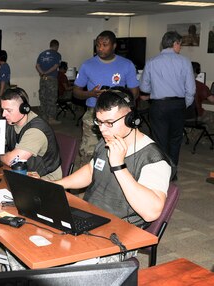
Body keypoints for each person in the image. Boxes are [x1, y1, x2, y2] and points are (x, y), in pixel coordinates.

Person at [55, 89, 171, 229]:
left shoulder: (153, 158)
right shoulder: (108, 141)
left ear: (131, 119)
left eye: (109, 122)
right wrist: (56, 185)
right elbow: (91, 171)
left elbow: (151, 213)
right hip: (91, 216)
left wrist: (119, 166)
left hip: (120, 230)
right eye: (99, 122)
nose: (103, 130)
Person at [0, 87, 62, 180]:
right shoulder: (12, 122)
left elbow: (12, 160)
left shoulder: (35, 131)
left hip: (47, 180)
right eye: (3, 110)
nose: (4, 114)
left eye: (8, 110)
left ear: (24, 109)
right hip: (24, 172)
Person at [74, 30, 139, 164]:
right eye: (98, 45)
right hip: (94, 114)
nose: (100, 48)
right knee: (88, 153)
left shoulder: (127, 65)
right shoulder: (87, 65)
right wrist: (91, 93)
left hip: (118, 116)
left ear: (114, 46)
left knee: (117, 152)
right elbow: (76, 92)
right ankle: (87, 182)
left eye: (105, 44)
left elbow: (135, 92)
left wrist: (118, 97)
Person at [139, 31, 195, 174]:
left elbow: (144, 87)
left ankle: (161, 173)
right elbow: (191, 89)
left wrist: (156, 92)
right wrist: (184, 103)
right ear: (175, 43)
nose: (180, 48)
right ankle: (173, 172)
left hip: (159, 106)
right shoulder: (185, 61)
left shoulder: (151, 62)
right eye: (180, 45)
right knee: (175, 140)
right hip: (178, 105)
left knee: (159, 140)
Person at [35, 39, 62, 125]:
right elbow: (56, 66)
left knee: (43, 97)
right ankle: (51, 118)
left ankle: (43, 118)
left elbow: (37, 65)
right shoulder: (57, 55)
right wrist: (46, 73)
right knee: (52, 98)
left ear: (50, 45)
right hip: (51, 79)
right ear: (57, 46)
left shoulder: (42, 54)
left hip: (43, 79)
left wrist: (42, 73)